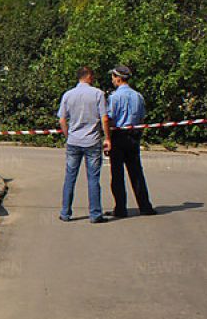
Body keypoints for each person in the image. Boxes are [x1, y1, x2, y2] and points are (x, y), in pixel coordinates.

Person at [57, 66, 111, 223]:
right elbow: (104, 118)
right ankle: (95, 214)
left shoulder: (68, 95)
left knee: (70, 177)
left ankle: (65, 212)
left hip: (74, 141)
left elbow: (62, 119)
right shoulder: (98, 94)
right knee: (93, 178)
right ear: (88, 76)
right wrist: (107, 138)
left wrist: (68, 135)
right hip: (92, 141)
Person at [107, 65, 156, 218]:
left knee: (117, 174)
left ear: (118, 78)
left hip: (118, 135)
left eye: (113, 77)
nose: (112, 80)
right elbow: (141, 118)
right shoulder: (138, 96)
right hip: (133, 135)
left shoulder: (114, 97)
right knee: (136, 172)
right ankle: (145, 206)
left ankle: (120, 208)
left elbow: (110, 118)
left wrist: (108, 138)